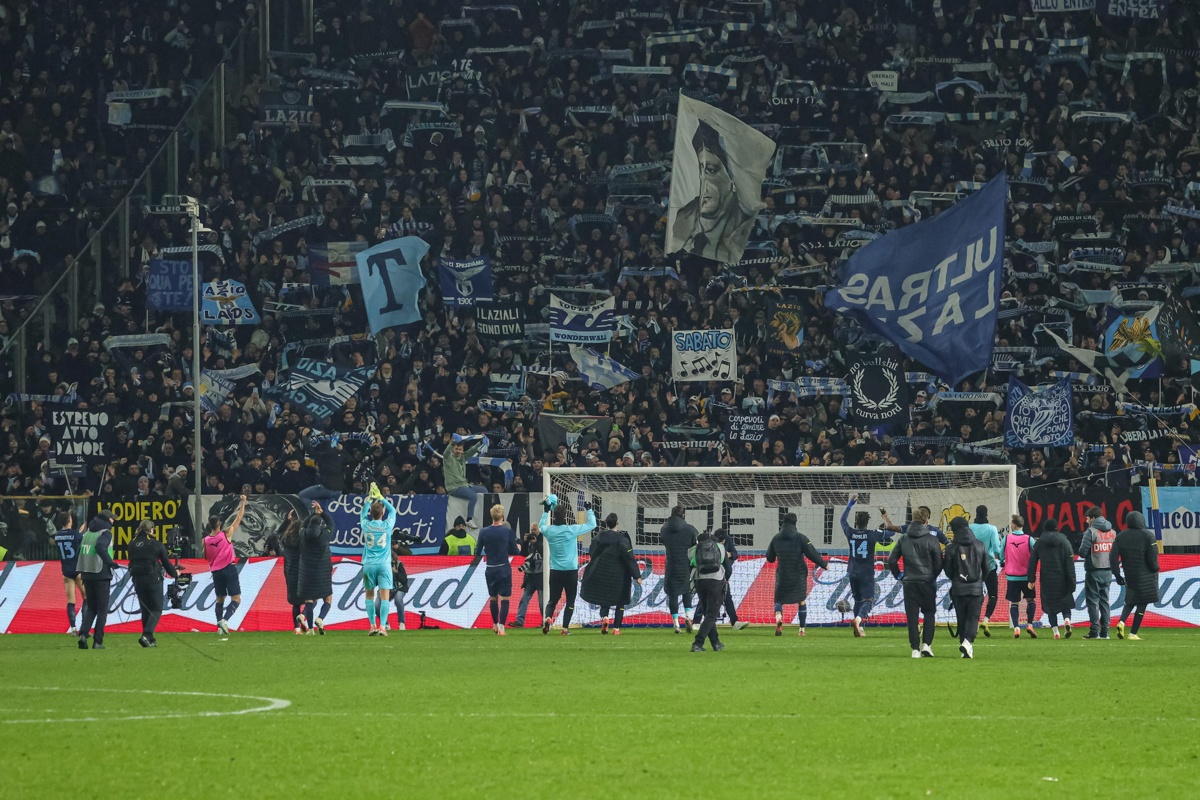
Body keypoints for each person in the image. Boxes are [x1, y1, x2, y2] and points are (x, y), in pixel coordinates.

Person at [670, 120, 756, 263]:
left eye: (711, 170)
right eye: (700, 170)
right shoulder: (683, 218)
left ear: (733, 178)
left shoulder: (746, 226)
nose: (703, 181)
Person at [887, 507, 943, 658]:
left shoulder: (904, 538)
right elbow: (939, 563)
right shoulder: (932, 539)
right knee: (929, 613)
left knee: (912, 616)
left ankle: (915, 649)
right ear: (926, 520)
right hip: (927, 582)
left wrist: (899, 576)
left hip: (909, 582)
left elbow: (891, 560)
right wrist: (932, 576)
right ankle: (927, 645)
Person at [538, 494, 596, 636]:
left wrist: (545, 511)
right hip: (570, 571)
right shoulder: (571, 530)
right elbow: (592, 524)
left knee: (552, 599)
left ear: (554, 515)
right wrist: (588, 510)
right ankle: (564, 629)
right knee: (570, 600)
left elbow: (540, 527)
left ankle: (547, 618)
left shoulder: (549, 531)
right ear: (565, 515)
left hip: (555, 571)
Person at [765, 512, 828, 637]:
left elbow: (770, 558)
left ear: (783, 522)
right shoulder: (801, 538)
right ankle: (801, 629)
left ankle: (778, 617)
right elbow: (812, 553)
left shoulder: (776, 538)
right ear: (795, 523)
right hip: (798, 574)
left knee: (778, 600)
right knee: (801, 601)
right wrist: (823, 564)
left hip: (783, 575)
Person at [581, 513, 641, 635]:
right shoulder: (622, 539)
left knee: (604, 599)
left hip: (601, 573)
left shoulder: (599, 537)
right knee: (621, 601)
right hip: (619, 575)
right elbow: (629, 558)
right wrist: (637, 575)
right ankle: (616, 628)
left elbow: (592, 553)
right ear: (617, 523)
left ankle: (605, 618)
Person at [841, 495, 891, 637]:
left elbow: (842, 520)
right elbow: (892, 531)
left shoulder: (850, 532)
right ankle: (858, 620)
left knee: (857, 600)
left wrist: (850, 504)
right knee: (868, 600)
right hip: (866, 573)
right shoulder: (872, 535)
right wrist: (884, 515)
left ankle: (859, 628)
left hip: (852, 571)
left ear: (856, 522)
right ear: (867, 522)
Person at [127, 519, 179, 648]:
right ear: (151, 530)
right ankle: (147, 634)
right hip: (153, 579)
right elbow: (166, 563)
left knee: (145, 610)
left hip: (137, 580)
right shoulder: (156, 544)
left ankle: (149, 639)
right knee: (156, 609)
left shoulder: (132, 544)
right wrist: (175, 573)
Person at [470, 503, 520, 634]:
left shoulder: (483, 532)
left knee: (493, 597)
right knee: (505, 598)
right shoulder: (507, 532)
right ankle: (502, 627)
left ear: (491, 516)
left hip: (490, 568)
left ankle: (495, 624)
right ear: (502, 516)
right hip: (503, 567)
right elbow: (515, 551)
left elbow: (477, 552)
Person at [1111, 510, 1160, 641]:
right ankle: (1133, 633)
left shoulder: (1121, 536)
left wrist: (1116, 574)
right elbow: (1152, 557)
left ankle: (1121, 621)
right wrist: (1155, 568)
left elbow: (1112, 557)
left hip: (1130, 574)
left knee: (1130, 601)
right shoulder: (1148, 536)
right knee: (1143, 602)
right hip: (1146, 575)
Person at [944, 517, 989, 659]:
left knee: (962, 618)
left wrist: (956, 579)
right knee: (973, 618)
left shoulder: (951, 548)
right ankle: (968, 642)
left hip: (958, 589)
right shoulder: (980, 545)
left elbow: (948, 570)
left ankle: (966, 644)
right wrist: (980, 580)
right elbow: (986, 568)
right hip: (976, 589)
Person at [203, 494, 247, 637]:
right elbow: (238, 519)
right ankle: (225, 621)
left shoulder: (206, 540)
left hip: (215, 571)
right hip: (228, 568)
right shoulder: (225, 534)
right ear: (219, 524)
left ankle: (219, 626)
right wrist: (243, 503)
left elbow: (206, 556)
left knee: (219, 598)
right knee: (236, 598)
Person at [1026, 519, 1076, 639]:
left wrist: (1031, 579)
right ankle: (1067, 620)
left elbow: (1032, 561)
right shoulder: (1064, 541)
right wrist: (1072, 582)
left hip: (1047, 578)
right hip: (1062, 578)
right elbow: (1070, 563)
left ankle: (1056, 632)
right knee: (1065, 603)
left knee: (1050, 606)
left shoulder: (1040, 542)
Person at [76, 510, 117, 650]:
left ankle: (83, 634)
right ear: (107, 520)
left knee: (91, 607)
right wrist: (110, 562)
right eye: (112, 519)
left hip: (86, 573)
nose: (113, 521)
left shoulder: (87, 533)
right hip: (101, 573)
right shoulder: (105, 533)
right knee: (102, 609)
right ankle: (97, 641)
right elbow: (100, 547)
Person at [362, 482, 399, 636]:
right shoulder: (387, 526)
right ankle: (383, 627)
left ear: (371, 512)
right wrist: (381, 498)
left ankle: (372, 625)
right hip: (384, 565)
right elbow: (393, 511)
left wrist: (370, 500)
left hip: (369, 565)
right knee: (385, 597)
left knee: (369, 596)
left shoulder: (365, 525)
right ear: (382, 513)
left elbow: (362, 514)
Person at [1079, 506, 1116, 639]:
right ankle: (1105, 631)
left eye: (1088, 518)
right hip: (1108, 570)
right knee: (1105, 601)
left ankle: (1094, 631)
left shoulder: (1091, 531)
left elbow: (1083, 552)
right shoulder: (1113, 532)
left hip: (1094, 570)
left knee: (1093, 601)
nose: (1086, 521)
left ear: (1093, 518)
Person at [659, 505, 698, 633]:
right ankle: (688, 617)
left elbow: (663, 541)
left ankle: (676, 624)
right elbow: (695, 547)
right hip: (686, 565)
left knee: (673, 594)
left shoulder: (664, 529)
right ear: (683, 515)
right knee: (687, 591)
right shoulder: (690, 530)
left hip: (671, 564)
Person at [298, 500, 335, 634]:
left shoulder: (302, 534)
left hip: (306, 572)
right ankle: (320, 618)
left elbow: (303, 524)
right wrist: (321, 513)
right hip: (322, 572)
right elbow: (331, 523)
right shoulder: (324, 536)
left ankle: (310, 628)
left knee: (309, 598)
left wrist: (312, 515)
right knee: (328, 598)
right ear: (320, 526)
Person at [690, 530, 728, 652]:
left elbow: (690, 564)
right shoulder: (720, 547)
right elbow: (728, 567)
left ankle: (716, 643)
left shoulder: (694, 549)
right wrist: (725, 579)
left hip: (700, 581)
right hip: (716, 581)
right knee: (712, 614)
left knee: (708, 614)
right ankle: (698, 643)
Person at [968, 505, 1003, 638]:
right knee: (993, 595)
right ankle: (986, 619)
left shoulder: (970, 528)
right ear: (987, 514)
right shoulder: (991, 529)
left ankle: (974, 623)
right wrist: (1002, 558)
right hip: (989, 567)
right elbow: (996, 549)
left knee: (975, 596)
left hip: (972, 567)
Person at [1003, 515, 1038, 639]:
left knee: (1014, 602)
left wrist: (1004, 561)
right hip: (1027, 576)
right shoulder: (1029, 539)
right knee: (1031, 600)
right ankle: (1029, 624)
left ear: (1013, 525)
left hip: (1012, 577)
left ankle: (1016, 627)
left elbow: (1000, 553)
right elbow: (1035, 555)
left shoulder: (1007, 538)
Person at [52, 510, 85, 635]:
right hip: (78, 569)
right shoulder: (76, 534)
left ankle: (73, 628)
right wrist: (81, 532)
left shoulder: (57, 535)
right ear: (70, 520)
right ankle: (84, 627)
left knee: (71, 600)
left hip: (66, 570)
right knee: (86, 597)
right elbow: (78, 540)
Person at [443, 436, 487, 523]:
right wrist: (452, 443)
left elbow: (472, 451)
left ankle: (486, 513)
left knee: (484, 490)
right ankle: (469, 519)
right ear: (452, 449)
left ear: (462, 450)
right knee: (473, 496)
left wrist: (480, 442)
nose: (458, 451)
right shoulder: (448, 459)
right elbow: (445, 453)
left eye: (460, 449)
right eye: (456, 449)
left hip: (464, 485)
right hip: (454, 487)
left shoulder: (462, 458)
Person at [510, 523, 543, 628]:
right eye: (531, 530)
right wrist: (525, 542)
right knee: (524, 599)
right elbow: (523, 554)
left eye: (535, 530)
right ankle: (519, 621)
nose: (533, 532)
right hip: (530, 575)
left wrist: (536, 542)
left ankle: (545, 621)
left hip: (541, 575)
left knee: (542, 601)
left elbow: (544, 552)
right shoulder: (529, 542)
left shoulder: (544, 541)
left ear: (540, 530)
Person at [280, 511, 306, 634]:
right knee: (312, 599)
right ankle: (304, 618)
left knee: (296, 603)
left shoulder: (286, 539)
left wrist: (287, 521)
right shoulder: (303, 540)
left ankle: (296, 628)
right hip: (303, 571)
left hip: (290, 572)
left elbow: (279, 535)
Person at [881, 506, 949, 545]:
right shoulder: (936, 531)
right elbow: (948, 544)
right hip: (930, 567)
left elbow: (889, 527)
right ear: (928, 517)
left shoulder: (909, 528)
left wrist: (885, 517)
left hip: (912, 566)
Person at [391, 538, 411, 631]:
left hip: (400, 587)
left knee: (398, 599)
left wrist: (395, 572)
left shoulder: (399, 565)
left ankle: (402, 623)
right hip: (389, 587)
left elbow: (404, 580)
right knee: (379, 603)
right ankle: (385, 624)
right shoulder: (384, 565)